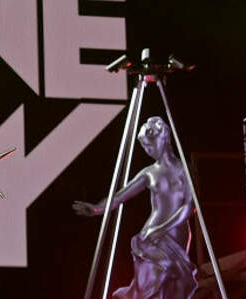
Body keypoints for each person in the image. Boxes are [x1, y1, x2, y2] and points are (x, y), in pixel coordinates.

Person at [73, 116, 198, 299]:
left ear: (163, 138)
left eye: (150, 145)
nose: (148, 150)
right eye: (145, 147)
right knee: (148, 285)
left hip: (175, 234)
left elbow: (190, 206)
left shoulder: (183, 169)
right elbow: (118, 197)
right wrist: (96, 209)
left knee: (175, 289)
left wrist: (161, 229)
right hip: (151, 238)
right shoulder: (149, 173)